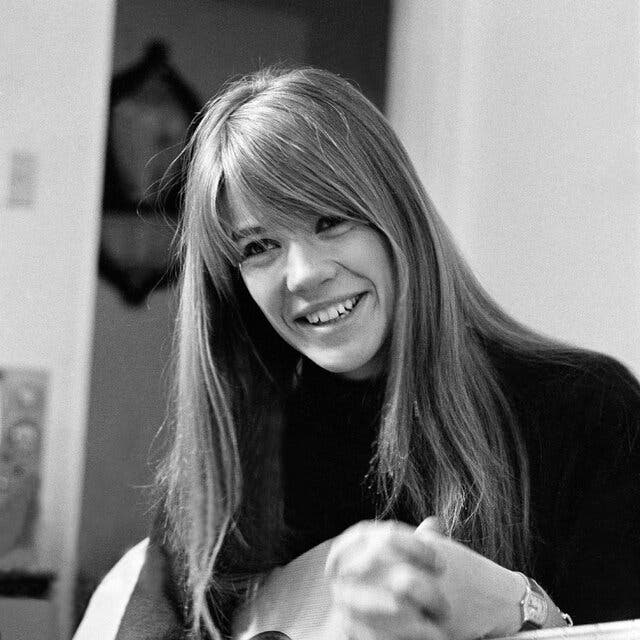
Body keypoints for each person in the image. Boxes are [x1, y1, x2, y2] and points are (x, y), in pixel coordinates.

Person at [76, 67, 640, 640]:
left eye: (329, 220)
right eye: (260, 246)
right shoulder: (225, 454)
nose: (304, 274)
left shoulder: (589, 413)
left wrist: (521, 608)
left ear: (397, 214)